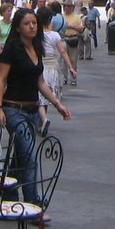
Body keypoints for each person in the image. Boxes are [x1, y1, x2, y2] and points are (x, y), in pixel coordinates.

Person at [0, 8, 71, 209]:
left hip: (32, 110)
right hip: (13, 109)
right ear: (18, 28)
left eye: (34, 23)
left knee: (20, 156)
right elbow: (1, 80)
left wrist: (57, 104)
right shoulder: (11, 49)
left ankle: (6, 192)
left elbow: (40, 82)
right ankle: (32, 204)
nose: (32, 27)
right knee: (29, 156)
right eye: (27, 24)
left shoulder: (37, 49)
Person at [35, 7, 76, 135]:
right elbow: (62, 52)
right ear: (50, 20)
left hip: (41, 66)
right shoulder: (54, 35)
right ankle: (42, 121)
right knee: (46, 96)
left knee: (40, 96)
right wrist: (70, 68)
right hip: (52, 67)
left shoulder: (36, 34)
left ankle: (43, 119)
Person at [60, 0, 84, 85]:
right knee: (63, 61)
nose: (67, 8)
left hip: (73, 38)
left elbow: (81, 29)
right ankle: (64, 78)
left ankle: (73, 78)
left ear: (72, 8)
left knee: (73, 60)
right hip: (63, 38)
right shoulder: (62, 17)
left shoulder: (76, 18)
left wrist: (72, 27)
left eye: (69, 6)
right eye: (65, 6)